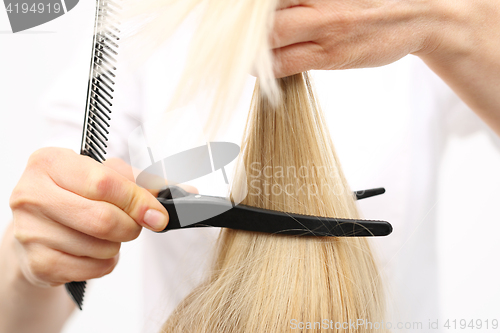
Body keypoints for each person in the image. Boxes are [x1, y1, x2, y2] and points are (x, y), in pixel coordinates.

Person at [1, 0, 499, 332]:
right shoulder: (138, 19)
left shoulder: (416, 12)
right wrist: (34, 261)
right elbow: (22, 313)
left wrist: (450, 27)